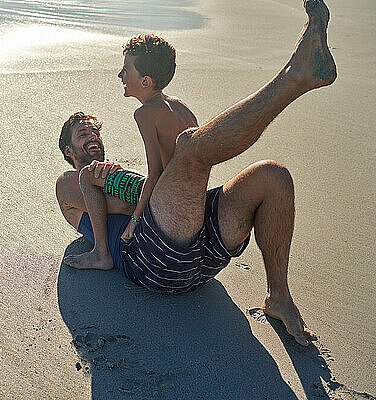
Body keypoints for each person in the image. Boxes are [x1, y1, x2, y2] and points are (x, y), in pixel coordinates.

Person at [55, 0, 336, 346]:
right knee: (190, 146)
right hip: (153, 258)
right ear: (69, 152)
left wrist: (120, 179)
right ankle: (296, 76)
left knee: (273, 177)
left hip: (203, 248)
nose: (92, 138)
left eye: (94, 132)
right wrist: (112, 183)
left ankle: (278, 296)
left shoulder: (119, 171)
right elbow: (125, 204)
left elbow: (154, 186)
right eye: (82, 136)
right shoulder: (69, 183)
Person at [63, 34, 198, 271]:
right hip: (190, 195)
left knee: (86, 176)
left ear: (145, 81)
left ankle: (101, 253)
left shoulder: (145, 113)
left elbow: (155, 172)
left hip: (163, 197)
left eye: (126, 70)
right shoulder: (180, 107)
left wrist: (135, 220)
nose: (120, 75)